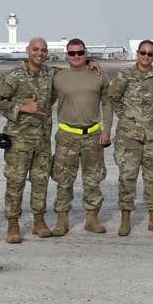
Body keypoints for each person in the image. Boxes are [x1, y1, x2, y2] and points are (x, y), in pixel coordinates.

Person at [0, 37, 59, 244]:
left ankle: (39, 222)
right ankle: (13, 225)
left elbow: (74, 71)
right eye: (36, 49)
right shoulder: (13, 76)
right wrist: (22, 108)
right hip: (19, 141)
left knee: (41, 181)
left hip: (42, 140)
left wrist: (91, 63)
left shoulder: (51, 73)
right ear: (28, 50)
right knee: (16, 182)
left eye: (44, 50)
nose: (40, 53)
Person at [108, 40, 153, 236]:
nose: (146, 56)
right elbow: (114, 97)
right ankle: (125, 219)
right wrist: (126, 116)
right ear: (137, 53)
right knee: (127, 177)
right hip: (129, 136)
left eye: (150, 54)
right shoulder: (125, 76)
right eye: (143, 52)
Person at [50, 38, 114, 235]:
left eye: (80, 53)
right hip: (67, 135)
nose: (76, 56)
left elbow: (107, 103)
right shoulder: (57, 77)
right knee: (63, 180)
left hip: (93, 135)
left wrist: (106, 130)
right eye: (72, 53)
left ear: (86, 54)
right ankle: (62, 220)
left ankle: (92, 218)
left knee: (93, 179)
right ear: (66, 55)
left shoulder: (99, 75)